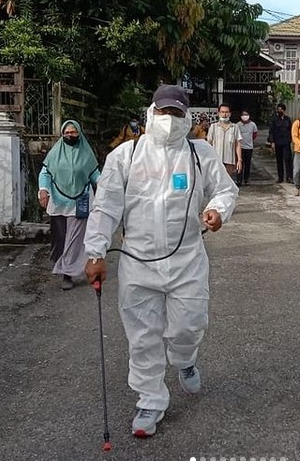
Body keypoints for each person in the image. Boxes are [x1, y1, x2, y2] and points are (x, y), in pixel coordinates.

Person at [83, 85, 238, 438]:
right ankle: (150, 399)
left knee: (189, 326)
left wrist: (217, 210)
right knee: (143, 336)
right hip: (138, 263)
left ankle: (184, 360)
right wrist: (95, 252)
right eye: (163, 112)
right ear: (151, 112)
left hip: (187, 261)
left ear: (187, 118)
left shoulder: (201, 154)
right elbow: (106, 206)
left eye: (177, 114)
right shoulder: (126, 155)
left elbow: (226, 189)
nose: (169, 120)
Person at [38, 120, 100, 290]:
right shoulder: (55, 153)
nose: (70, 135)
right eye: (66, 133)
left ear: (79, 133)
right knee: (61, 238)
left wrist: (105, 186)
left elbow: (95, 175)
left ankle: (68, 273)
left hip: (80, 201)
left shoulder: (87, 154)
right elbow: (45, 173)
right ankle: (64, 267)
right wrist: (43, 190)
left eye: (73, 133)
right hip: (59, 202)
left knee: (75, 238)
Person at [207, 103, 243, 178]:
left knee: (228, 182)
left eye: (226, 112)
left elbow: (238, 144)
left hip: (229, 160)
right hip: (216, 160)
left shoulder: (235, 127)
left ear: (230, 114)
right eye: (222, 112)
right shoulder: (213, 127)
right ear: (219, 113)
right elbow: (209, 144)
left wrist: (239, 159)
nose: (224, 114)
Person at [267, 103, 293, 183]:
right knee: (279, 161)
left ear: (284, 110)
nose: (279, 111)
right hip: (278, 142)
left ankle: (289, 177)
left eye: (281, 109)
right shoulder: (274, 119)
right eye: (278, 109)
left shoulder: (287, 119)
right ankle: (280, 177)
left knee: (288, 160)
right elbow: (271, 131)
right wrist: (272, 142)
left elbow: (290, 130)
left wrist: (291, 140)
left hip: (286, 142)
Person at [236, 110, 258, 186]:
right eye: (243, 115)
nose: (245, 116)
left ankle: (246, 179)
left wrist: (250, 140)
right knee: (240, 164)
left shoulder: (253, 125)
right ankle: (239, 180)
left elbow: (255, 134)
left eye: (246, 114)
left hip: (249, 147)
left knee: (248, 164)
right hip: (240, 147)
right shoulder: (238, 125)